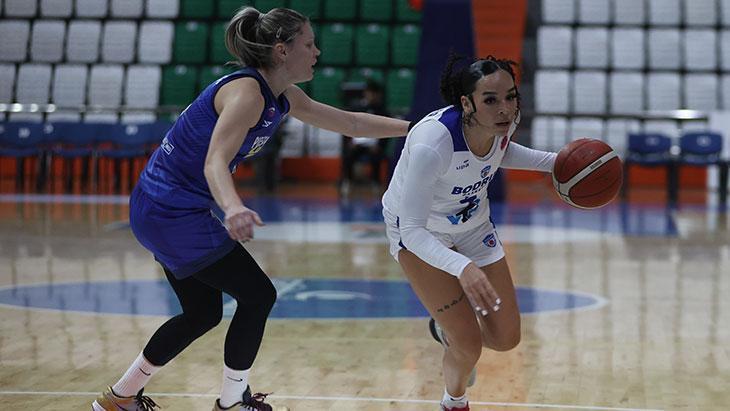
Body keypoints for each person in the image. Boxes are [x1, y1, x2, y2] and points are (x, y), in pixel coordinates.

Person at [92, 7, 409, 411]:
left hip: (161, 208)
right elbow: (214, 161)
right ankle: (232, 401)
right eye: (308, 44)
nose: (317, 52)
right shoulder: (246, 93)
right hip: (171, 210)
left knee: (202, 313)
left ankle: (120, 397)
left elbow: (351, 123)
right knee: (258, 295)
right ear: (281, 50)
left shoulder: (282, 95)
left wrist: (415, 127)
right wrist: (233, 207)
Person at [381, 55, 556, 411]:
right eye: (490, 100)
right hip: (419, 233)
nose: (505, 108)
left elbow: (497, 154)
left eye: (511, 96)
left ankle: (442, 329)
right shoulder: (434, 144)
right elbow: (411, 230)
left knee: (506, 339)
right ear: (467, 103)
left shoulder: (504, 122)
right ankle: (454, 400)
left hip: (473, 226)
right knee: (469, 345)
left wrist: (557, 163)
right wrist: (461, 267)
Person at [340, 79, 390, 194]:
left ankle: (376, 183)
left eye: (373, 93)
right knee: (348, 156)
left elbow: (387, 131)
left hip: (374, 145)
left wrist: (380, 145)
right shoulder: (357, 108)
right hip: (358, 143)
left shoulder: (383, 111)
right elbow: (348, 125)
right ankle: (348, 182)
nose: (371, 96)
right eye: (369, 92)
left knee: (375, 158)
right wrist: (351, 141)